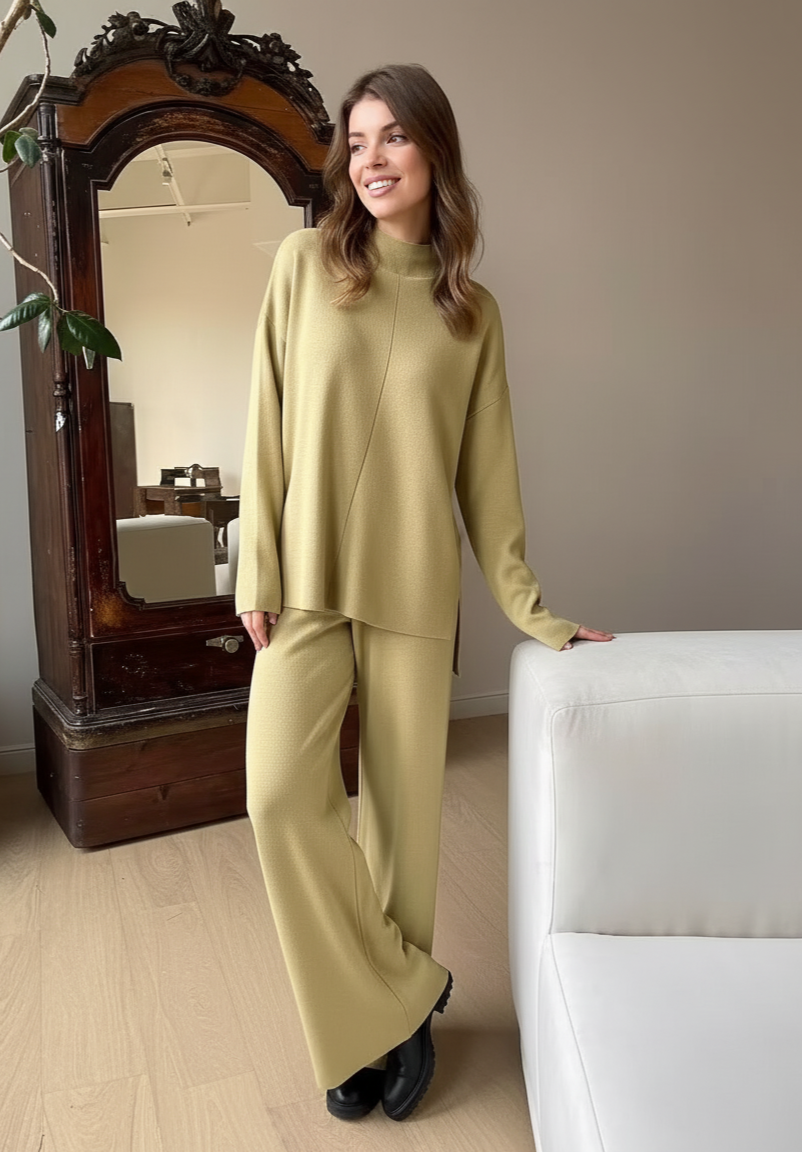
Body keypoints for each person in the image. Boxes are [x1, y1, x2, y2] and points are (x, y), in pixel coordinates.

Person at [236, 63, 614, 1123]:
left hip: (412, 589)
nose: (371, 160)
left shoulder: (472, 314)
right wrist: (255, 567)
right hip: (307, 582)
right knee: (279, 797)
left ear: (434, 151)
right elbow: (264, 420)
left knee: (401, 830)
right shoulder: (302, 265)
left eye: (392, 137)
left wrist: (533, 610)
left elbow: (488, 482)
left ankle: (391, 1029)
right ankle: (389, 996)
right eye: (356, 143)